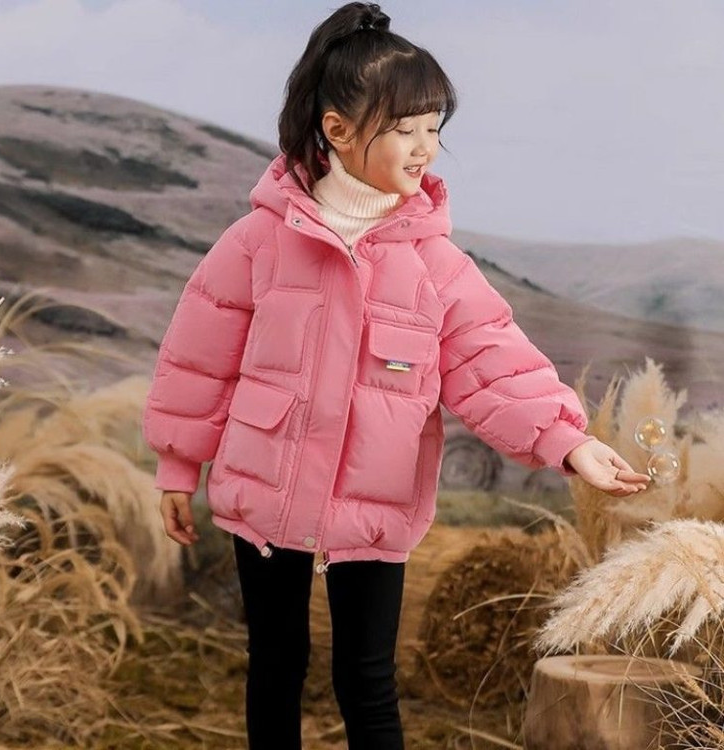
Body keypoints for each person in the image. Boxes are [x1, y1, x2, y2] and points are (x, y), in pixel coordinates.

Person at [141, 3, 651, 748]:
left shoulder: (434, 264)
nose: (426, 148)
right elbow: (200, 356)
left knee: (367, 679)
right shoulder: (258, 242)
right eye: (406, 129)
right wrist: (178, 464)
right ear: (339, 130)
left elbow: (492, 359)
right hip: (265, 493)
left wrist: (569, 441)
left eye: (435, 128)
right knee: (274, 664)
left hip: (375, 506)